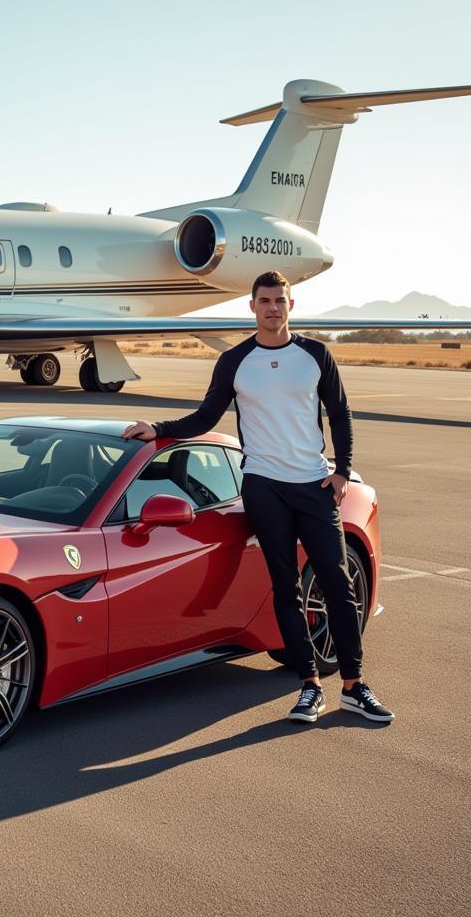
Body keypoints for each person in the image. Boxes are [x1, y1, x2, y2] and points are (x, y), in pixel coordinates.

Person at [123, 271, 394, 725]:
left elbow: (340, 412)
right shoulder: (235, 361)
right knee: (284, 588)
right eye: (265, 300)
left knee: (337, 584)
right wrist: (161, 430)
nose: (273, 308)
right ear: (252, 307)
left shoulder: (314, 355)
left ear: (292, 305)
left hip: (313, 484)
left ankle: (353, 685)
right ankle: (309, 687)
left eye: (280, 301)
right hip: (264, 487)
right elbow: (207, 414)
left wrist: (342, 471)